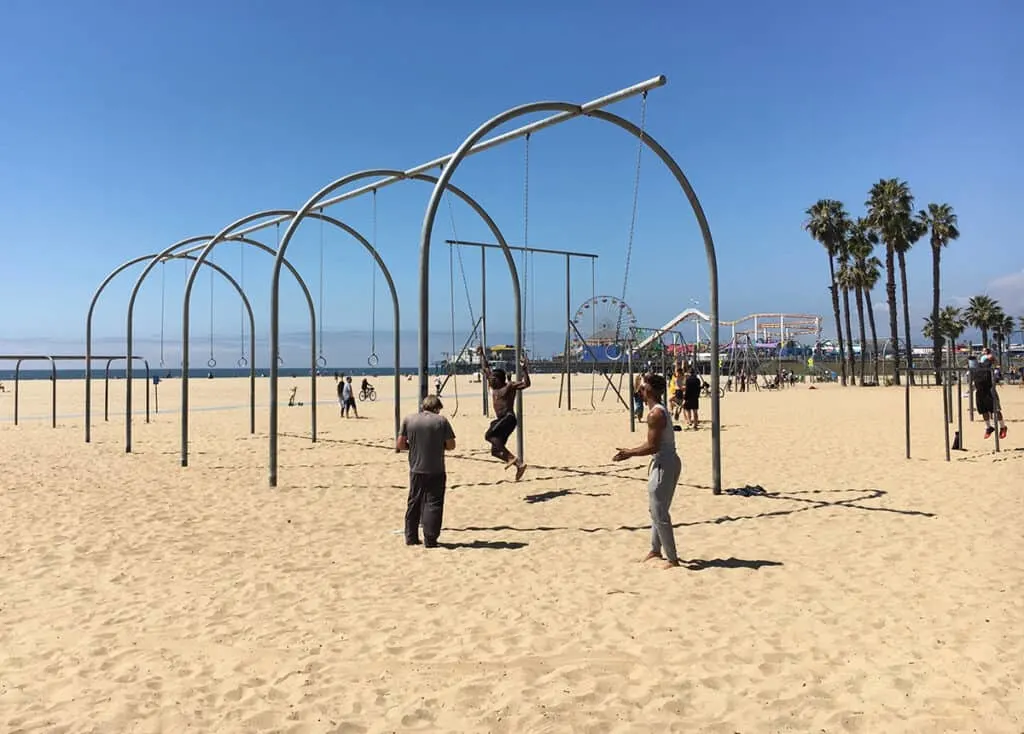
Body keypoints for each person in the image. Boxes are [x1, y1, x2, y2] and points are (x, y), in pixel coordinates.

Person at [612, 372, 682, 569]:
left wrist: (629, 453)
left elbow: (653, 446)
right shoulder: (657, 410)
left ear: (649, 390)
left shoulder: (656, 414)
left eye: (642, 388)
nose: (639, 391)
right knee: (655, 509)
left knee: (660, 512)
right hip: (664, 462)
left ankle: (672, 558)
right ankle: (655, 549)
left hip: (664, 463)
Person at [396, 395, 456, 548]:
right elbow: (451, 445)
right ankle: (430, 538)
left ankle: (411, 537)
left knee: (414, 501)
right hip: (436, 468)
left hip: (416, 468)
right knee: (434, 503)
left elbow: (400, 444)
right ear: (437, 408)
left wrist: (413, 447)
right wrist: (439, 445)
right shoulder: (441, 421)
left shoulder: (409, 419)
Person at [477, 345, 530, 480]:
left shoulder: (509, 386)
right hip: (500, 420)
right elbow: (486, 369)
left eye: (494, 379)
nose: (491, 381)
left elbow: (526, 384)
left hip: (508, 418)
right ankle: (519, 465)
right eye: (491, 379)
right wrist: (482, 354)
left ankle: (512, 458)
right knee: (495, 450)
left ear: (501, 379)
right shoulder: (492, 385)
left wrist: (524, 369)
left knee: (488, 435)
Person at [974, 351, 1007, 440]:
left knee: (995, 410)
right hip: (980, 391)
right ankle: (989, 427)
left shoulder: (993, 369)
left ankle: (1003, 426)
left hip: (989, 390)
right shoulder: (977, 366)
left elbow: (996, 366)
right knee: (983, 410)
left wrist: (994, 362)